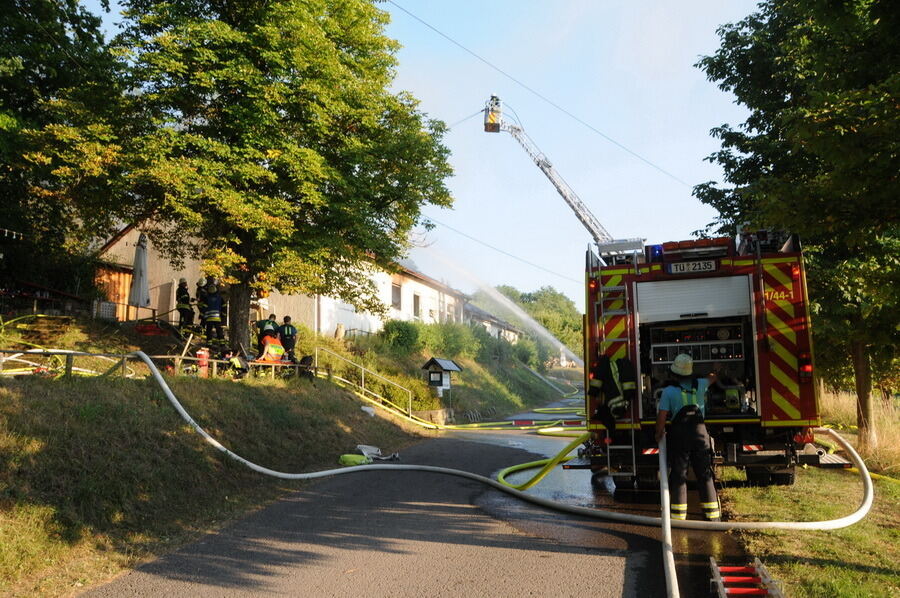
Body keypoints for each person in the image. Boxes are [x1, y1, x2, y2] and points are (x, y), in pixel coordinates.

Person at [654, 353, 720, 522]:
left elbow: (662, 417)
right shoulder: (701, 385)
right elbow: (712, 378)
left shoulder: (668, 392)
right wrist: (715, 368)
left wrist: (658, 433)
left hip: (680, 436)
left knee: (679, 475)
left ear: (674, 373)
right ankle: (712, 517)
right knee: (704, 474)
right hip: (700, 435)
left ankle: (678, 518)